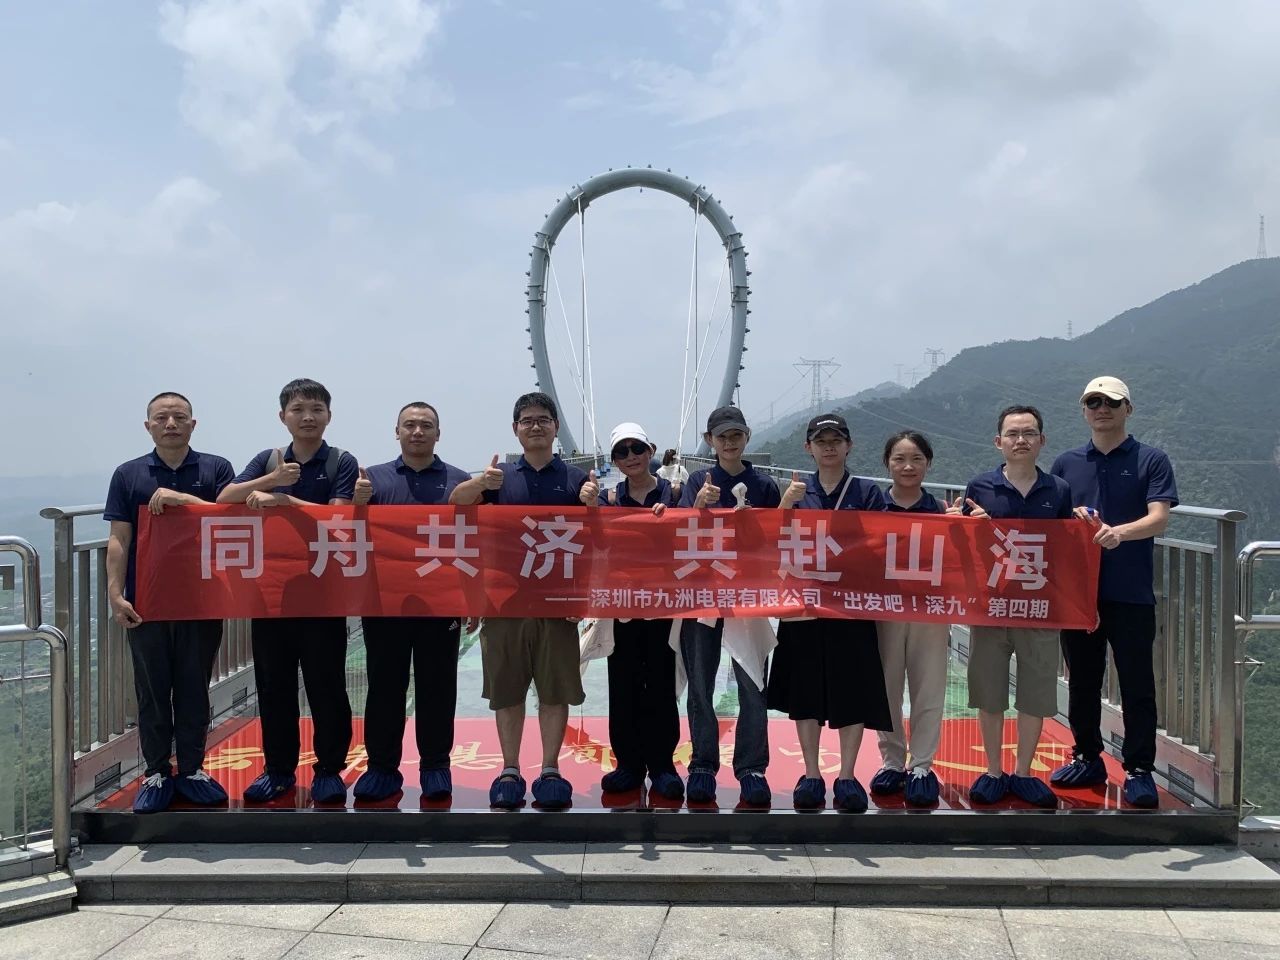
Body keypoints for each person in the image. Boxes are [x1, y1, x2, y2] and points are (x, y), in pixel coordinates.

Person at [217, 378, 359, 804]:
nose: (308, 417)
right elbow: (225, 498)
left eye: (316, 409)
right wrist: (273, 479)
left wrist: (285, 500)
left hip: (323, 594)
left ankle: (330, 769)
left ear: (329, 415)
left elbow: (339, 517)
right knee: (273, 686)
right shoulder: (268, 459)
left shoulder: (341, 461)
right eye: (298, 410)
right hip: (272, 595)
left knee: (327, 686)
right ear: (283, 417)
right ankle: (278, 770)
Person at [449, 391, 592, 809]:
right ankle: (510, 769)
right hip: (504, 604)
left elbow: (594, 541)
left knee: (554, 692)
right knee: (508, 691)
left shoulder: (576, 480)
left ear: (556, 427)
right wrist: (480, 483)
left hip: (557, 604)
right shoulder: (499, 479)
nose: (535, 426)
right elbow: (456, 505)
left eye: (543, 419)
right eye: (527, 420)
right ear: (515, 429)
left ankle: (550, 769)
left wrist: (594, 504)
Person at [1049, 376, 1177, 808]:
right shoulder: (1066, 463)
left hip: (1131, 591)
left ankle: (1139, 769)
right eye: (1093, 402)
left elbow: (1159, 518)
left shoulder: (1151, 459)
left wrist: (1118, 533)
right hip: (1079, 592)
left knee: (1137, 683)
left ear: (1128, 409)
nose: (1102, 408)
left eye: (1111, 402)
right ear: (1084, 410)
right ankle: (1087, 756)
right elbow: (1049, 518)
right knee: (1082, 680)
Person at [104, 392, 235, 813]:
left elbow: (230, 519)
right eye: (162, 418)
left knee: (194, 688)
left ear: (193, 424)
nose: (171, 424)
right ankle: (157, 772)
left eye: (180, 417)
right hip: (148, 602)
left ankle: (193, 769)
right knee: (153, 691)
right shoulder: (128, 474)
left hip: (202, 600)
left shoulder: (216, 468)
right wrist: (115, 594)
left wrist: (183, 500)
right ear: (148, 427)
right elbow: (119, 538)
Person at [768, 413, 892, 812]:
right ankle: (810, 773)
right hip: (802, 607)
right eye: (821, 441)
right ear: (809, 448)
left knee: (850, 690)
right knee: (805, 691)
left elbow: (883, 543)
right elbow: (769, 543)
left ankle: (847, 775)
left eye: (836, 440)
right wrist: (784, 506)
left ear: (849, 445)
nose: (829, 447)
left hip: (849, 608)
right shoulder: (796, 492)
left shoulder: (867, 492)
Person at [349, 402, 471, 802]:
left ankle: (435, 765)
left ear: (439, 433)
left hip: (442, 603)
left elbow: (477, 540)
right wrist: (358, 502)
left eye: (426, 425)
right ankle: (382, 767)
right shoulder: (373, 479)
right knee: (385, 686)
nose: (418, 431)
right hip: (384, 603)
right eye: (410, 425)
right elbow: (347, 532)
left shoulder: (459, 481)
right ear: (397, 431)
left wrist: (474, 597)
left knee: (438, 686)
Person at [962, 405, 1073, 808]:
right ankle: (994, 771)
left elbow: (1068, 549)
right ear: (999, 442)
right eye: (1012, 433)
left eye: (1029, 433)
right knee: (989, 693)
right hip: (991, 608)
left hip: (1039, 609)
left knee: (1035, 694)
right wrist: (965, 525)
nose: (1020, 440)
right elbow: (963, 547)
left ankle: (1023, 772)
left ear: (1042, 440)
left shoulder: (1058, 490)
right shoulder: (979, 487)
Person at [678, 405, 781, 806]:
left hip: (748, 594)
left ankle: (752, 767)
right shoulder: (696, 481)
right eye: (722, 436)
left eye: (736, 435)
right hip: (704, 593)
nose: (729, 442)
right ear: (710, 441)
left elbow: (780, 537)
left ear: (747, 436)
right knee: (700, 682)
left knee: (752, 681)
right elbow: (679, 531)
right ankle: (703, 764)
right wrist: (697, 505)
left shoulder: (765, 485)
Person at [595, 423, 684, 800]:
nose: (630, 457)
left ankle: (662, 765)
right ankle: (628, 764)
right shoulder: (607, 499)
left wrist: (676, 515)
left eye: (636, 448)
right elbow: (594, 541)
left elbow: (693, 531)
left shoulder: (674, 494)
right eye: (621, 452)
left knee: (661, 683)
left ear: (651, 451)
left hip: (663, 604)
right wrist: (589, 507)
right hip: (623, 605)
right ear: (614, 460)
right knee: (624, 683)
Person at [869, 430, 953, 807]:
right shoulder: (872, 509)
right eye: (899, 459)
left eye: (916, 459)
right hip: (883, 609)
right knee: (886, 688)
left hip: (930, 611)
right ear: (887, 463)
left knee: (928, 687)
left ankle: (921, 765)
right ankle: (891, 761)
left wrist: (968, 524)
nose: (907, 466)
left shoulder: (943, 512)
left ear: (928, 464)